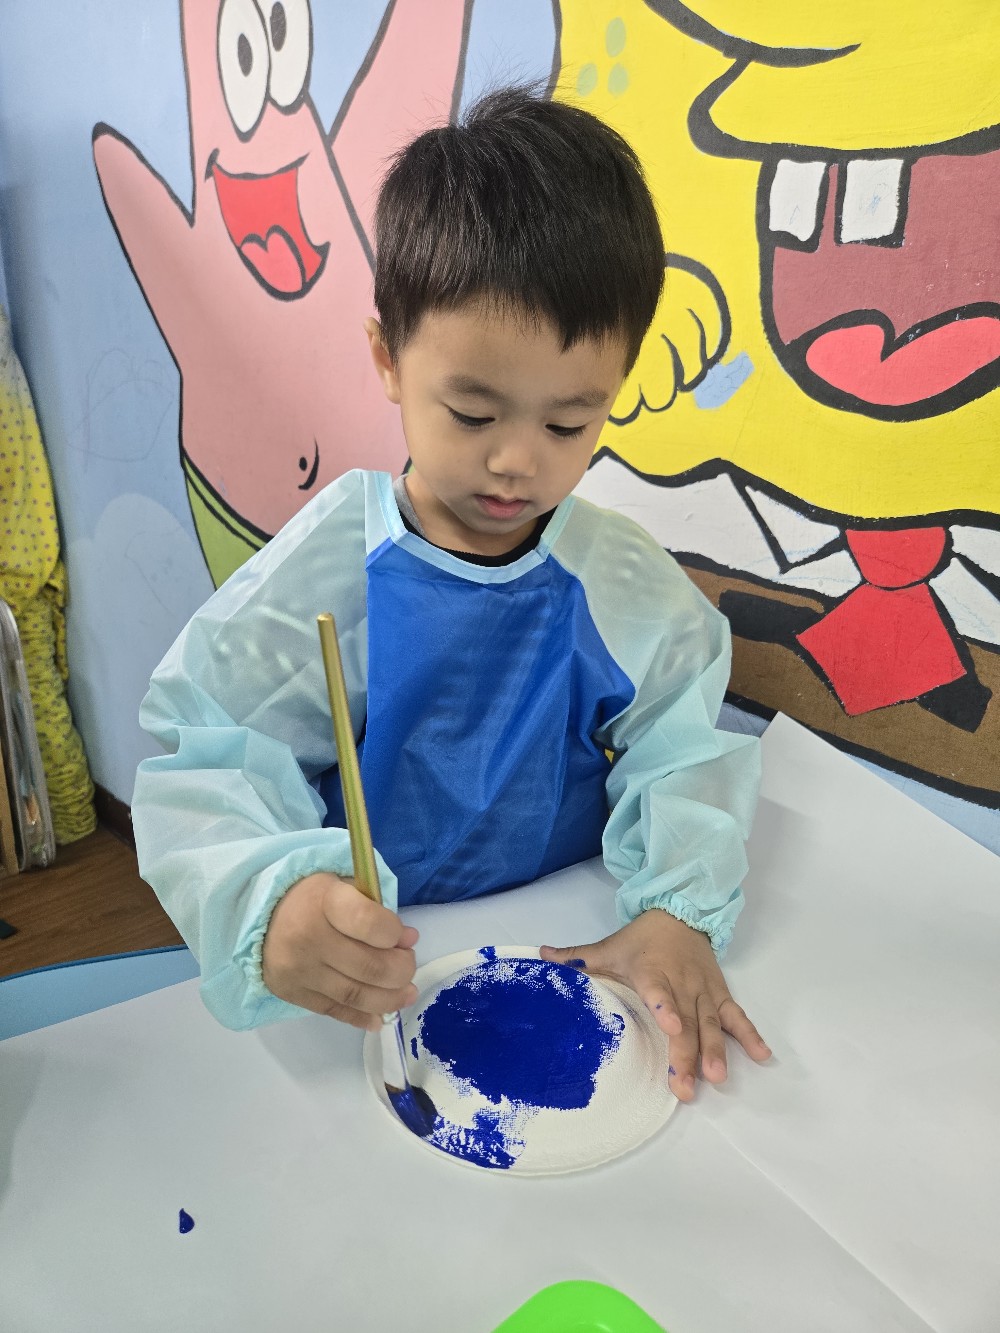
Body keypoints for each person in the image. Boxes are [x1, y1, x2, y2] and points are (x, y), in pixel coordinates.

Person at [132, 87, 770, 1102]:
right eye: (473, 412)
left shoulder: (613, 578)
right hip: (378, 972)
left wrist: (675, 909)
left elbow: (685, 745)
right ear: (388, 358)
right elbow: (206, 760)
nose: (517, 460)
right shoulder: (332, 568)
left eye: (568, 424)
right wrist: (269, 900)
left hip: (562, 940)